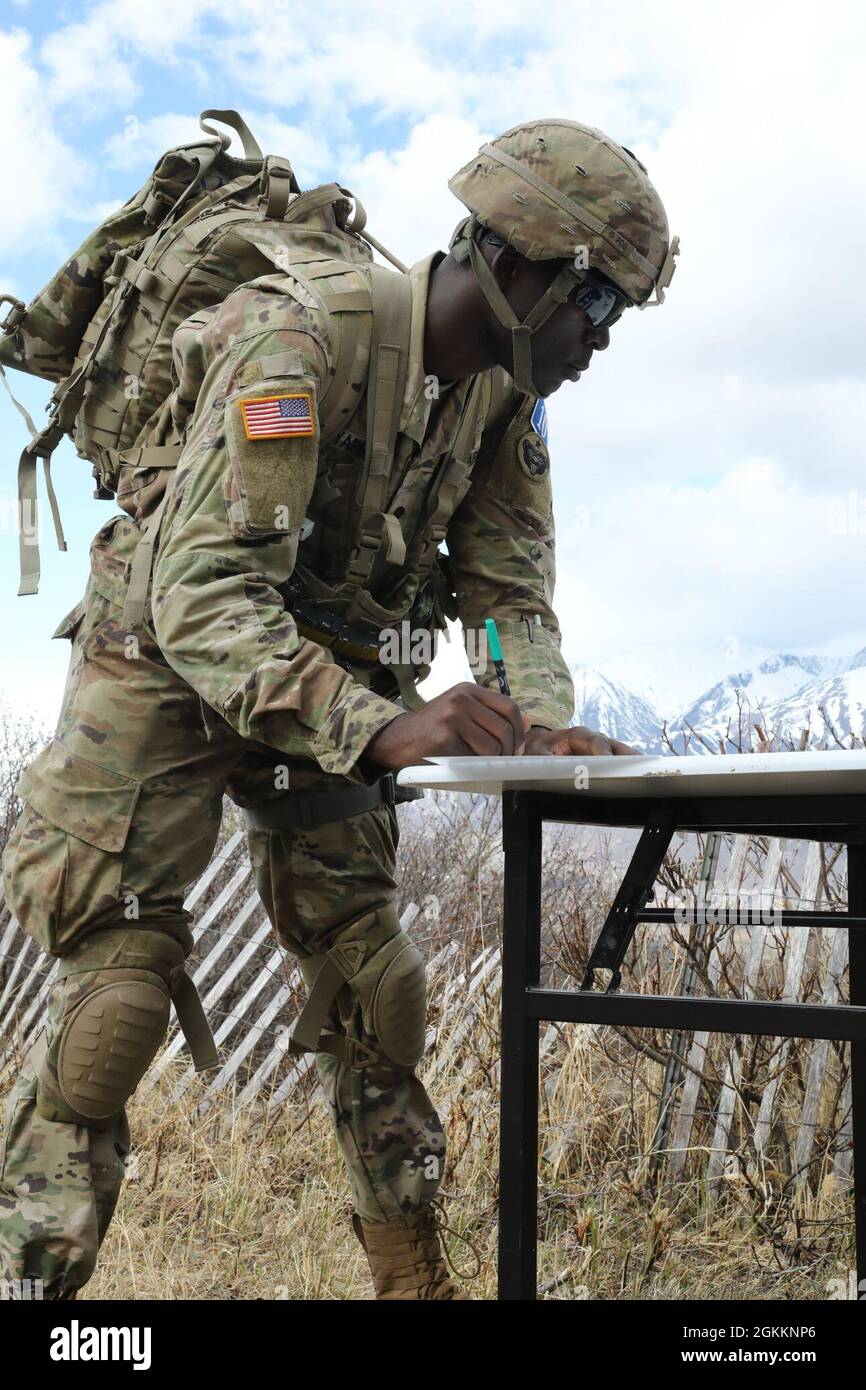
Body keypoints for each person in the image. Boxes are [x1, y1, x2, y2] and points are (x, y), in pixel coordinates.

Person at [0, 118, 676, 1300]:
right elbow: (200, 591)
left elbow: (508, 594)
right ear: (523, 270)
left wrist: (535, 720)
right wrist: (377, 725)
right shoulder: (299, 336)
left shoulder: (503, 403)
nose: (599, 342)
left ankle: (412, 1283)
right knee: (111, 1011)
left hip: (331, 671)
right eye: (600, 308)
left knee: (379, 990)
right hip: (163, 658)